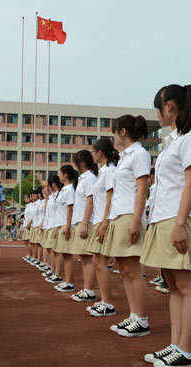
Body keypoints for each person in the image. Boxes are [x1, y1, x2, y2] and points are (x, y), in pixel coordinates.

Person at [140, 84, 191, 367]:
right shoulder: (174, 140)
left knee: (187, 287)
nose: (158, 113)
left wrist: (180, 224)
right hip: (164, 216)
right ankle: (175, 344)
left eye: (158, 107)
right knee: (175, 286)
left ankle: (187, 350)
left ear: (168, 105)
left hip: (178, 218)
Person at [103, 115, 152, 338]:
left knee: (133, 271)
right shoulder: (124, 157)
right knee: (124, 270)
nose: (113, 136)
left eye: (114, 132)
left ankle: (141, 319)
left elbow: (142, 190)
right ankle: (134, 316)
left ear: (122, 132)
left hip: (129, 216)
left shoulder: (139, 154)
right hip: (119, 216)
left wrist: (135, 220)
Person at [85, 139, 119, 317]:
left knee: (101, 263)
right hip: (100, 219)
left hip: (105, 220)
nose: (92, 155)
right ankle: (104, 301)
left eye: (93, 151)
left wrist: (105, 222)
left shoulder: (110, 171)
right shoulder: (103, 171)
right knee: (98, 262)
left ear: (100, 153)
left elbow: (110, 197)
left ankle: (107, 303)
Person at [69, 151, 99, 303]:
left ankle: (89, 290)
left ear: (81, 163)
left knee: (87, 258)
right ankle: (87, 289)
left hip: (85, 221)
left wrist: (85, 224)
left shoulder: (90, 178)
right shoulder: (83, 178)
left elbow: (90, 202)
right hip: (80, 221)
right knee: (84, 257)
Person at [53, 166, 78, 292]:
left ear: (66, 175)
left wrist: (68, 227)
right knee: (64, 254)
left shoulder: (69, 190)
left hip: (66, 225)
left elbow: (70, 209)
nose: (59, 176)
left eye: (60, 174)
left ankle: (70, 282)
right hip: (61, 224)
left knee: (68, 255)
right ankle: (67, 280)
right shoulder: (64, 190)